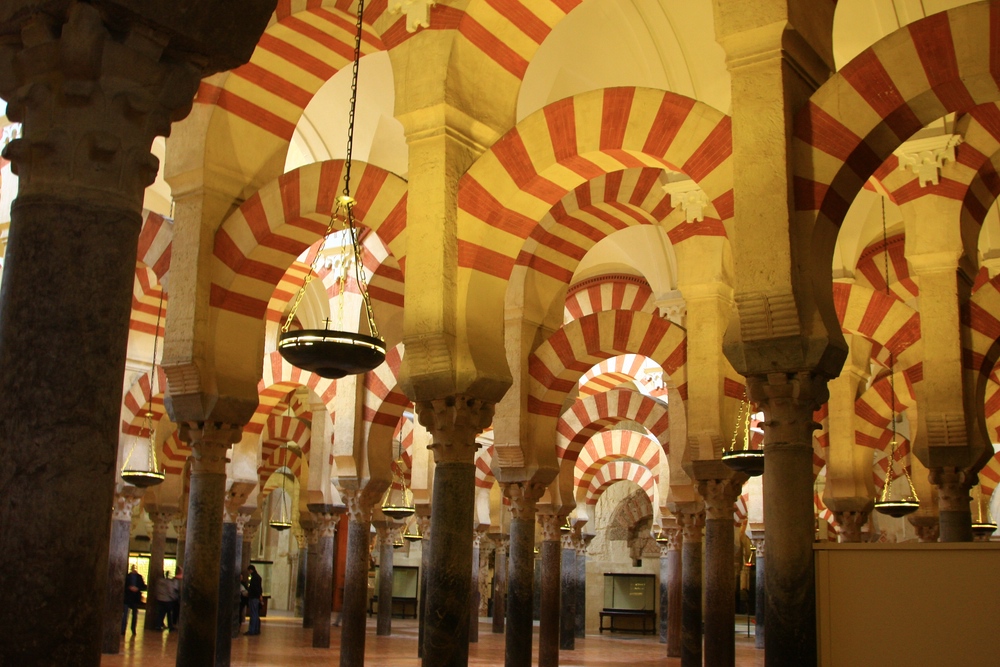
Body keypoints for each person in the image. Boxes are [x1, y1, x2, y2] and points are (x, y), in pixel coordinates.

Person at [121, 564, 146, 636]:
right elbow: (124, 586)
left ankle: (133, 629)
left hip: (135, 598)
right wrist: (129, 588)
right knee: (125, 615)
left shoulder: (139, 577)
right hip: (128, 598)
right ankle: (123, 629)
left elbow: (143, 586)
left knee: (134, 615)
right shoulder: (127, 577)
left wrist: (137, 588)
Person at [244, 564, 263, 636]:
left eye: (249, 571)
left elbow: (254, 588)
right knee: (256, 614)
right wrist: (260, 595)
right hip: (256, 597)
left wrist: (249, 592)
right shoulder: (258, 577)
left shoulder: (254, 577)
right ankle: (256, 629)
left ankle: (252, 630)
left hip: (253, 597)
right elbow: (260, 588)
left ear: (250, 570)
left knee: (253, 614)